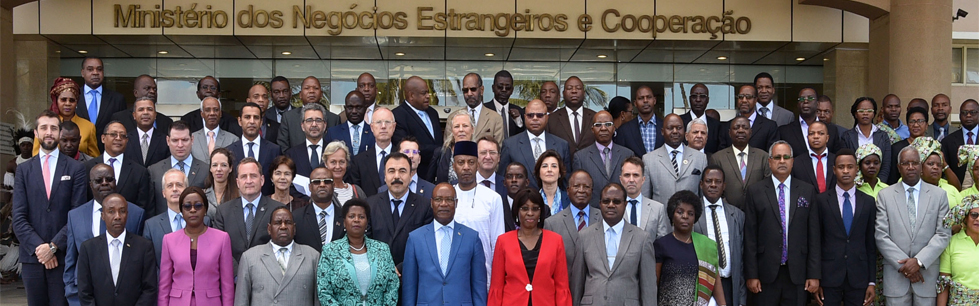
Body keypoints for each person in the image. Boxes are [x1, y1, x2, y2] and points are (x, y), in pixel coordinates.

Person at [13, 110, 88, 306]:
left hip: (64, 257)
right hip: (32, 258)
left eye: (53, 128)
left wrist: (53, 247)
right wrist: (41, 249)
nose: (49, 132)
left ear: (59, 132)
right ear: (36, 133)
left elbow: (77, 214)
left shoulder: (76, 169)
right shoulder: (23, 170)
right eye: (44, 128)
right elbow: (18, 217)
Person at [743, 140, 820, 306]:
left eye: (786, 157)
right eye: (777, 157)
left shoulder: (807, 191)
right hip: (765, 274)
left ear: (793, 161)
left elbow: (813, 235)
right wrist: (752, 274)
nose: (782, 161)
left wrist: (813, 274)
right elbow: (750, 237)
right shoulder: (755, 191)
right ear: (769, 162)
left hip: (797, 273)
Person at [875, 146, 950, 306]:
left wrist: (919, 261)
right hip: (896, 278)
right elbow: (881, 235)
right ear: (898, 167)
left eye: (915, 163)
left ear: (921, 166)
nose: (910, 167)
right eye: (905, 163)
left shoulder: (939, 195)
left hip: (926, 276)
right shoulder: (885, 196)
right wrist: (906, 267)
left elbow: (943, 234)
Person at [63, 164, 145, 306]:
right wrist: (72, 295)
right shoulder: (75, 216)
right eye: (98, 180)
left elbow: (139, 259)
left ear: (115, 182)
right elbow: (71, 259)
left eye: (109, 179)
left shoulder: (135, 214)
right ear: (90, 184)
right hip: (83, 299)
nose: (104, 183)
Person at [570, 183, 657, 306]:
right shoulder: (584, 236)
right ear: (600, 204)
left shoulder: (642, 238)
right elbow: (577, 283)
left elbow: (648, 288)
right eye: (606, 201)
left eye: (616, 201)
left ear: (625, 204)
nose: (611, 205)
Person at [401, 183, 488, 306]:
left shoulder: (472, 238)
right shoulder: (415, 239)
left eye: (449, 199)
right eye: (438, 199)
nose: (443, 204)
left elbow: (478, 285)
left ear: (456, 203)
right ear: (431, 203)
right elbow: (409, 286)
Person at [813, 149, 878, 306]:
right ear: (834, 170)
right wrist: (816, 277)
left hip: (859, 275)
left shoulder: (868, 202)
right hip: (829, 276)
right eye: (841, 167)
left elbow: (870, 243)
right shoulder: (821, 201)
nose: (846, 171)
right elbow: (815, 242)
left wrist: (871, 281)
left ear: (857, 169)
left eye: (850, 166)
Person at [488, 189, 572, 306]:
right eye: (524, 208)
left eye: (535, 208)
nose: (530, 213)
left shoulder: (556, 241)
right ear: (517, 212)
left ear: (541, 212)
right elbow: (496, 286)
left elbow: (561, 286)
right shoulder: (503, 241)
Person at [75, 193, 156, 306]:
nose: (117, 216)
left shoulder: (144, 247)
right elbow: (84, 291)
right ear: (103, 215)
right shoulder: (88, 248)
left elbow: (149, 288)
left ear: (127, 214)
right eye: (111, 211)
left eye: (122, 211)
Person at [158, 187, 234, 306]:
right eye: (187, 206)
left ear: (205, 209)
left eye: (198, 206)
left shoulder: (222, 238)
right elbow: (164, 286)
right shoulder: (169, 240)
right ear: (182, 211)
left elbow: (227, 285)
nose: (192, 210)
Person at [316, 199, 399, 306]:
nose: (356, 220)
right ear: (344, 222)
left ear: (367, 222)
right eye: (351, 216)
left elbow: (392, 285)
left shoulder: (382, 249)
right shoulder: (330, 250)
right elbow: (324, 291)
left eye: (361, 217)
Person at [235, 207, 320, 306]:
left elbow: (318, 300)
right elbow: (241, 300)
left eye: (288, 222)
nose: (283, 227)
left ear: (294, 228)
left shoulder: (312, 256)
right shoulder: (250, 257)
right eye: (278, 223)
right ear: (269, 229)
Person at [655, 190, 726, 306]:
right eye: (680, 212)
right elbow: (654, 284)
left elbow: (714, 279)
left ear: (695, 217)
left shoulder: (706, 245)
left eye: (690, 213)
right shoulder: (661, 245)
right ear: (672, 215)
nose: (685, 216)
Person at [212, 158, 285, 269]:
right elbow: (218, 247)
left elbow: (282, 246)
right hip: (233, 278)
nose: (249, 181)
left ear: (262, 180)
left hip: (268, 274)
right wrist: (239, 273)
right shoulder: (223, 211)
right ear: (237, 182)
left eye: (253, 176)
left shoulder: (277, 209)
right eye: (244, 176)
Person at [365, 152, 433, 267]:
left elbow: (425, 246)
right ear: (385, 176)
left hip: (411, 273)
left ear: (411, 175)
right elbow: (366, 242)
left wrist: (402, 268)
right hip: (378, 273)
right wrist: (385, 268)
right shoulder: (370, 205)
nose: (396, 176)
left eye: (402, 171)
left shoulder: (425, 206)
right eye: (391, 171)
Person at [452, 141, 507, 279]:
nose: (466, 167)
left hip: (484, 274)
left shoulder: (493, 198)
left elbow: (497, 242)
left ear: (477, 165)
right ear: (454, 166)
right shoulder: (446, 197)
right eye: (461, 162)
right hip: (452, 274)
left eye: (471, 162)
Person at [693, 165, 746, 306]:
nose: (713, 185)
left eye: (718, 181)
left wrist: (741, 299)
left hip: (730, 284)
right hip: (702, 285)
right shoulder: (692, 214)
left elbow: (741, 260)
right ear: (701, 184)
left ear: (724, 186)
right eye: (709, 181)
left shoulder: (737, 215)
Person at [499, 99, 572, 188]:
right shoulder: (510, 145)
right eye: (530, 115)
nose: (535, 118)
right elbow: (502, 179)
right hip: (521, 200)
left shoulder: (562, 145)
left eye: (540, 115)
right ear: (525, 117)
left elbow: (566, 181)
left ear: (547, 118)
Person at [82, 120, 153, 212]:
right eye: (113, 134)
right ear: (103, 138)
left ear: (127, 140)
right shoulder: (87, 167)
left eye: (123, 136)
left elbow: (142, 206)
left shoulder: (139, 172)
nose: (118, 138)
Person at [143, 169, 212, 263]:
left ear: (187, 190)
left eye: (179, 185)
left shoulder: (204, 221)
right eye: (170, 185)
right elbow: (149, 263)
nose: (174, 189)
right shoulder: (151, 226)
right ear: (163, 193)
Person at [642, 114, 707, 205]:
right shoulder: (649, 159)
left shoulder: (700, 158)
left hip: (691, 217)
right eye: (670, 128)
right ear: (662, 131)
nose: (675, 131)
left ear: (684, 132)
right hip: (661, 218)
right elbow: (645, 198)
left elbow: (703, 197)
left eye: (679, 128)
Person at [709, 116, 772, 209]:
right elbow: (715, 187)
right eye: (736, 127)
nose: (741, 130)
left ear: (750, 132)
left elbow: (768, 186)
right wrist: (727, 208)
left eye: (745, 128)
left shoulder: (763, 157)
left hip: (758, 211)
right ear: (729, 133)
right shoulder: (717, 158)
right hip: (728, 212)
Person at [543, 170, 598, 275]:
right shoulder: (552, 223)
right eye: (576, 186)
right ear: (568, 190)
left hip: (595, 287)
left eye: (586, 187)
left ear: (591, 191)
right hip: (565, 285)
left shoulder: (602, 219)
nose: (581, 190)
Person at [573, 110, 634, 205]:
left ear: (614, 128)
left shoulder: (627, 154)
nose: (603, 128)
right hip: (593, 214)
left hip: (622, 212)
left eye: (608, 124)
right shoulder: (580, 157)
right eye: (598, 125)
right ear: (592, 129)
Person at [148, 120, 208, 215]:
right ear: (168, 140)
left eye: (184, 140)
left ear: (192, 140)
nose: (180, 145)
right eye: (175, 140)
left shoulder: (205, 170)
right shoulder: (154, 171)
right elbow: (151, 208)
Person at [392, 76, 444, 180]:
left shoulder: (433, 113)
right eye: (423, 93)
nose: (428, 96)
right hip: (416, 176)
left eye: (428, 92)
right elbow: (405, 148)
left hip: (438, 175)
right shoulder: (398, 115)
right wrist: (440, 151)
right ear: (411, 95)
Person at [33, 78, 99, 158]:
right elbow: (36, 155)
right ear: (56, 101)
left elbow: (94, 159)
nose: (68, 103)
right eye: (63, 100)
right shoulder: (45, 125)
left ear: (77, 102)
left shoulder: (88, 126)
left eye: (72, 100)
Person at [227, 102, 282, 195]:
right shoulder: (229, 151)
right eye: (247, 117)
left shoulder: (274, 150)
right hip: (237, 204)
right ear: (239, 121)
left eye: (256, 117)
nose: (252, 121)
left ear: (261, 122)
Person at [936, 195, 979, 306]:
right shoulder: (952, 242)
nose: (978, 219)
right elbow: (944, 282)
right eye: (974, 215)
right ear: (965, 217)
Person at [278, 76, 340, 152]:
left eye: (316, 88)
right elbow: (283, 147)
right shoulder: (288, 117)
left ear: (321, 94)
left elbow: (336, 148)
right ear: (300, 94)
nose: (311, 91)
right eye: (307, 88)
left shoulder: (334, 119)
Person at [293, 167, 345, 251]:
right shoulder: (296, 217)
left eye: (327, 181)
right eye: (316, 182)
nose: (322, 185)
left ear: (333, 186)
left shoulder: (345, 216)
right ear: (310, 187)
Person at [778, 88, 841, 157]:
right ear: (798, 104)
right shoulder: (785, 132)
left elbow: (836, 158)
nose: (805, 101)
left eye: (810, 98)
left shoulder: (831, 130)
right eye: (802, 99)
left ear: (817, 104)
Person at [842, 97, 893, 181]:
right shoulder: (846, 136)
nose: (865, 113)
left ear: (874, 114)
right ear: (855, 114)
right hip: (854, 184)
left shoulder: (883, 136)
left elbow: (886, 165)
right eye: (861, 111)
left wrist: (878, 185)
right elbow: (846, 163)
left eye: (869, 111)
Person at [620, 156, 671, 240]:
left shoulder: (657, 208)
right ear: (621, 179)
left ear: (643, 179)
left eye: (636, 175)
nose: (631, 180)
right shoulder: (613, 207)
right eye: (627, 175)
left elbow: (662, 242)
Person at [350, 106, 396, 197]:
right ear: (371, 127)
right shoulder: (359, 161)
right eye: (378, 122)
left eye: (387, 122)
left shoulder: (402, 157)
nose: (383, 126)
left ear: (394, 126)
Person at [75, 57, 125, 139]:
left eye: (99, 69)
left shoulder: (117, 99)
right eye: (90, 69)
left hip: (108, 150)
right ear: (82, 73)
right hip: (79, 149)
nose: (95, 73)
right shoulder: (73, 97)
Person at [718, 85, 779, 151]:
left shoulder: (769, 126)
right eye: (741, 97)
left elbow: (772, 154)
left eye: (748, 97)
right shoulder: (726, 127)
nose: (744, 100)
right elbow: (722, 155)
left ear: (756, 100)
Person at [546, 76, 596, 154]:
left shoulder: (595, 117)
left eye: (578, 88)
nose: (574, 91)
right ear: (563, 93)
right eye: (569, 88)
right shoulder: (551, 119)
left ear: (584, 93)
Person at [614, 86, 665, 157]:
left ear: (654, 100)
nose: (645, 100)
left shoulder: (665, 127)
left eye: (649, 97)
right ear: (635, 103)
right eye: (641, 98)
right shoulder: (624, 130)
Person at [284, 102, 330, 178]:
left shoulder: (333, 152)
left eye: (318, 120)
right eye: (309, 120)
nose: (314, 124)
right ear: (302, 126)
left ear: (324, 125)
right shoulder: (291, 154)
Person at [123, 95, 171, 168]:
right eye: (141, 109)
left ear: (155, 115)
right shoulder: (125, 140)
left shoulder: (165, 140)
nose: (145, 113)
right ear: (134, 115)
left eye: (150, 109)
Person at [915, 137, 963, 208]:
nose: (935, 167)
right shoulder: (911, 186)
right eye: (931, 164)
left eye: (939, 165)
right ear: (920, 167)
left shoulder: (951, 189)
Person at [325, 90, 375, 156]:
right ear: (345, 108)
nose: (354, 111)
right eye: (350, 107)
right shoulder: (333, 133)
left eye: (358, 107)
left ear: (365, 108)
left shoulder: (374, 132)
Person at [888, 107, 930, 185]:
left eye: (920, 121)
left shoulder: (932, 146)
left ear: (927, 125)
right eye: (912, 121)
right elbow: (893, 177)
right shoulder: (896, 148)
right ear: (907, 125)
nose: (916, 125)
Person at [791, 121, 836, 193]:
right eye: (812, 134)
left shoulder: (836, 160)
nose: (816, 137)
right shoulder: (797, 162)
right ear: (807, 137)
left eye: (821, 133)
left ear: (827, 138)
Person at [190, 97, 237, 164]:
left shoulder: (233, 139)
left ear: (220, 113)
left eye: (216, 110)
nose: (212, 113)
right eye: (207, 110)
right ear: (202, 114)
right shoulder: (191, 139)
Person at [941, 99, 978, 183]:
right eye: (964, 113)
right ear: (959, 116)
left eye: (973, 112)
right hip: (956, 190)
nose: (968, 115)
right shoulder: (947, 141)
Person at [461, 73, 505, 144]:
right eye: (465, 90)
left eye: (473, 89)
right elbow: (448, 149)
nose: (469, 93)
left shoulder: (496, 118)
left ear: (481, 90)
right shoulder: (453, 118)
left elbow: (497, 150)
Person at [432, 110, 475, 183]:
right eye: (457, 126)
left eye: (465, 126)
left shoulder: (480, 153)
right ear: (452, 130)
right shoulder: (441, 152)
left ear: (472, 129)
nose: (461, 130)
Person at [680, 83, 721, 154]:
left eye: (702, 96)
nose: (698, 100)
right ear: (690, 99)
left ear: (708, 100)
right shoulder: (679, 122)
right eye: (694, 96)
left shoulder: (717, 126)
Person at [322, 140, 366, 205]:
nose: (337, 166)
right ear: (326, 164)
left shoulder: (357, 190)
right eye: (333, 162)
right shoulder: (321, 191)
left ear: (347, 163)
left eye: (341, 162)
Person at [483, 70, 525, 137]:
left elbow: (523, 136)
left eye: (508, 87)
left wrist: (518, 121)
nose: (504, 90)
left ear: (512, 90)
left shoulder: (519, 112)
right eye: (500, 87)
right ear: (493, 88)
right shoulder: (483, 109)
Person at [203, 148, 237, 217]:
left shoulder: (239, 195)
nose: (219, 169)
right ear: (210, 168)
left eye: (223, 165)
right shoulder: (203, 195)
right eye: (215, 165)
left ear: (230, 168)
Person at [537, 150, 570, 215]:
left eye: (554, 166)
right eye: (545, 166)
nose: (549, 170)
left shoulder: (570, 199)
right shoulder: (533, 199)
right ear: (539, 173)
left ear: (560, 173)